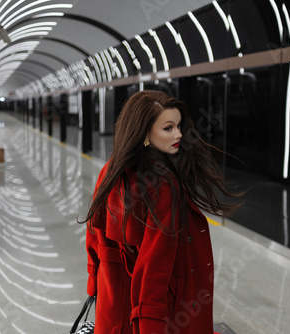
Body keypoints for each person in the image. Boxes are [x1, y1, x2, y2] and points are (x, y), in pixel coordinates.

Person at [82, 90, 243, 334]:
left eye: (179, 126)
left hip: (112, 304)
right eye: (168, 128)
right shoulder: (162, 186)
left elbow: (94, 235)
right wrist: (150, 325)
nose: (179, 134)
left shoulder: (111, 169)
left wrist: (94, 284)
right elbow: (152, 270)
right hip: (165, 312)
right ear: (144, 132)